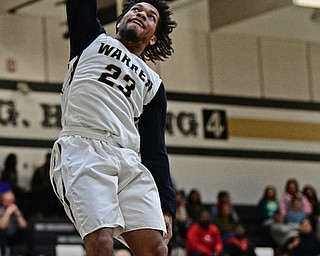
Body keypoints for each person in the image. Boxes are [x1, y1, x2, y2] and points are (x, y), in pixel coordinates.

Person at [49, 0, 177, 256]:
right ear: (119, 21)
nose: (141, 14)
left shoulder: (154, 84)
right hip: (84, 147)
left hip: (128, 158)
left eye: (151, 16)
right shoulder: (91, 38)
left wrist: (166, 206)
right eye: (136, 10)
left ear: (153, 38)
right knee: (101, 242)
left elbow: (155, 149)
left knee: (156, 249)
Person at [0, 190, 35, 256]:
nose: (9, 203)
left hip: (14, 236)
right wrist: (8, 212)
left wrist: (18, 213)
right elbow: (2, 226)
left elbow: (24, 226)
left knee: (27, 232)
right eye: (7, 201)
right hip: (3, 237)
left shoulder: (16, 210)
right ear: (2, 201)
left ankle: (31, 253)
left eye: (11, 201)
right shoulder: (1, 210)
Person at [30, 153, 63, 218]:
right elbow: (33, 184)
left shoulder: (57, 171)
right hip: (41, 193)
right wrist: (42, 186)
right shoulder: (40, 170)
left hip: (53, 194)